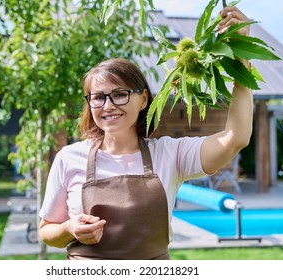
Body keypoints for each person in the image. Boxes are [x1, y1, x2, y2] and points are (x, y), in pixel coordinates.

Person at [38, 6, 253, 260]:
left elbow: (235, 138)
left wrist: (241, 58)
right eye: (98, 98)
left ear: (142, 100)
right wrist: (68, 228)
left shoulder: (170, 154)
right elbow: (47, 230)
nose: (108, 106)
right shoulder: (69, 157)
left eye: (119, 94)